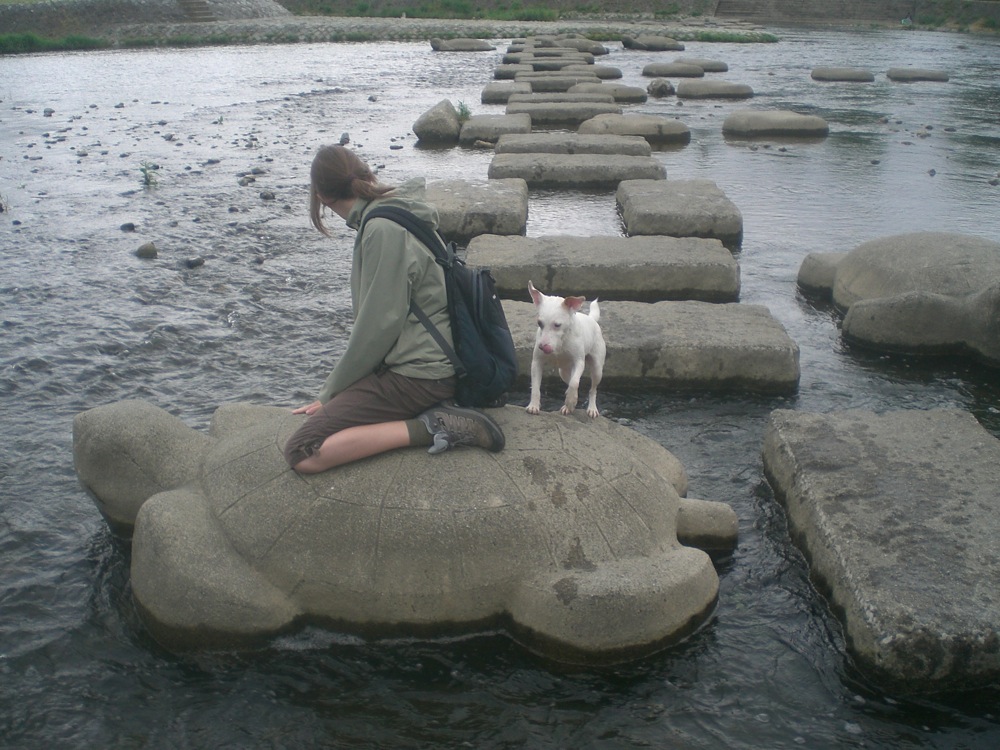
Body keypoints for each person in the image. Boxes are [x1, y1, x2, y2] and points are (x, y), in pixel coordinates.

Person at [283, 145, 504, 473]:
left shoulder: (382, 229)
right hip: (425, 362)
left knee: (302, 452)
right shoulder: (394, 208)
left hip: (420, 375)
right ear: (365, 173)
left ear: (322, 197)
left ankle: (433, 425)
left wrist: (331, 393)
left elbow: (379, 326)